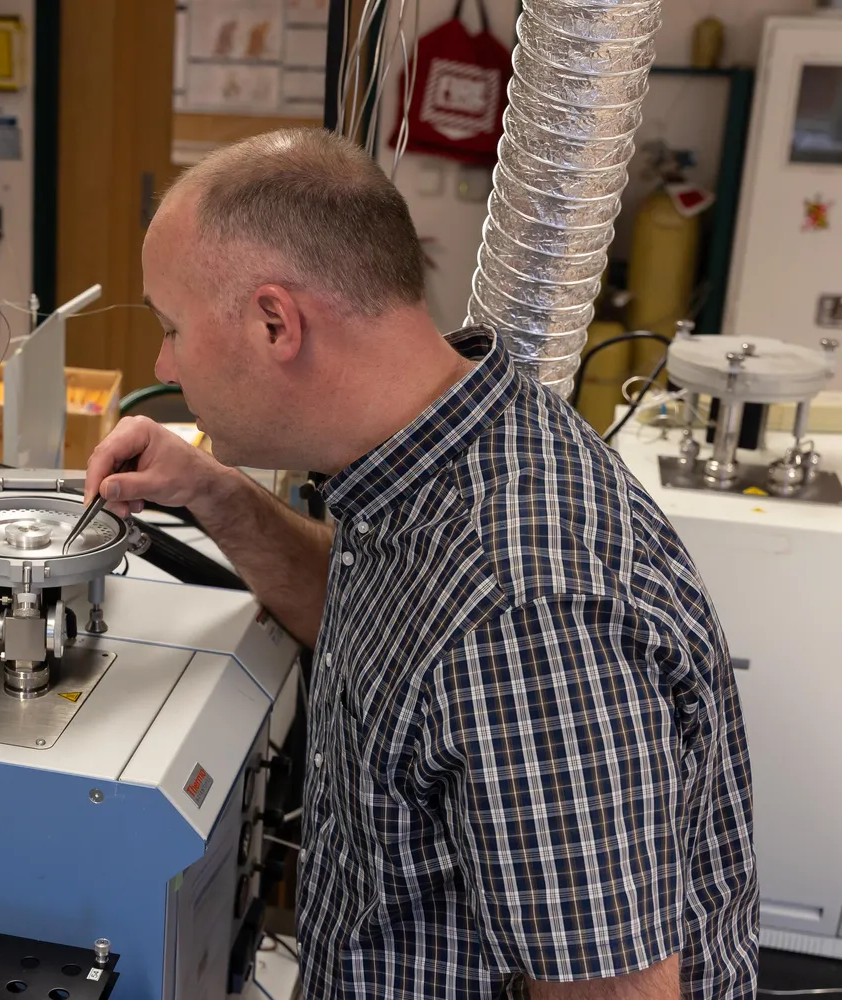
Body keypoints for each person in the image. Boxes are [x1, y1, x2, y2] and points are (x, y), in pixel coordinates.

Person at [83, 128, 757, 999]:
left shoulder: (524, 618)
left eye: (172, 328)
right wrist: (213, 492)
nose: (161, 364)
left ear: (275, 322)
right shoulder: (445, 445)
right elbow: (384, 627)